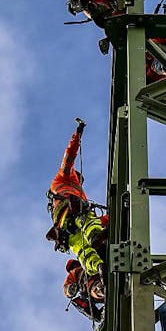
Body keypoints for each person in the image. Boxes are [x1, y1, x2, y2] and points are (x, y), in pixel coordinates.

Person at [46, 119, 107, 300]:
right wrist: (78, 134)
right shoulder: (63, 178)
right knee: (91, 227)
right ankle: (97, 242)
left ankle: (98, 267)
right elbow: (69, 156)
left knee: (82, 251)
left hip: (65, 230)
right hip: (75, 212)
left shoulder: (62, 196)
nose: (79, 182)